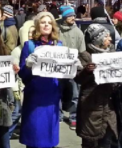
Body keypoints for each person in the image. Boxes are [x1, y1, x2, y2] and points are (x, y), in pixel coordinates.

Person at [19, 11, 75, 148]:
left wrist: (73, 67)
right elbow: (22, 74)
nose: (46, 25)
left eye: (49, 23)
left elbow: (64, 75)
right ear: (38, 25)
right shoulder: (29, 45)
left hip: (52, 96)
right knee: (34, 136)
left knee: (49, 136)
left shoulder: (59, 46)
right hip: (35, 97)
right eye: (43, 22)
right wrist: (28, 65)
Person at [76, 24, 122, 148]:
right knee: (90, 142)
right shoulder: (85, 55)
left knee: (107, 141)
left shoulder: (113, 54)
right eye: (107, 37)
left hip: (109, 106)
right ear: (98, 39)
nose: (110, 39)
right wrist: (87, 71)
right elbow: (78, 79)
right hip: (91, 106)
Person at [58, 5, 86, 130]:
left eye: (74, 15)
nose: (73, 17)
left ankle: (73, 117)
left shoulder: (78, 32)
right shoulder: (56, 30)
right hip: (58, 68)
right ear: (64, 17)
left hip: (73, 69)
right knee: (57, 92)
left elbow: (82, 51)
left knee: (75, 94)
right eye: (70, 15)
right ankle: (58, 115)